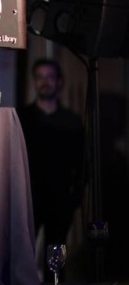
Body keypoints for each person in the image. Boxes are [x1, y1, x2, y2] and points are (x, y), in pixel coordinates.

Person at [17, 58, 85, 259]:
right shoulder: (23, 117)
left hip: (61, 198)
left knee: (56, 254)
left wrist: (76, 198)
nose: (45, 82)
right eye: (40, 78)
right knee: (23, 252)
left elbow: (82, 162)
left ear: (59, 81)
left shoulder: (72, 121)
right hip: (29, 196)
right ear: (34, 81)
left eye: (50, 77)